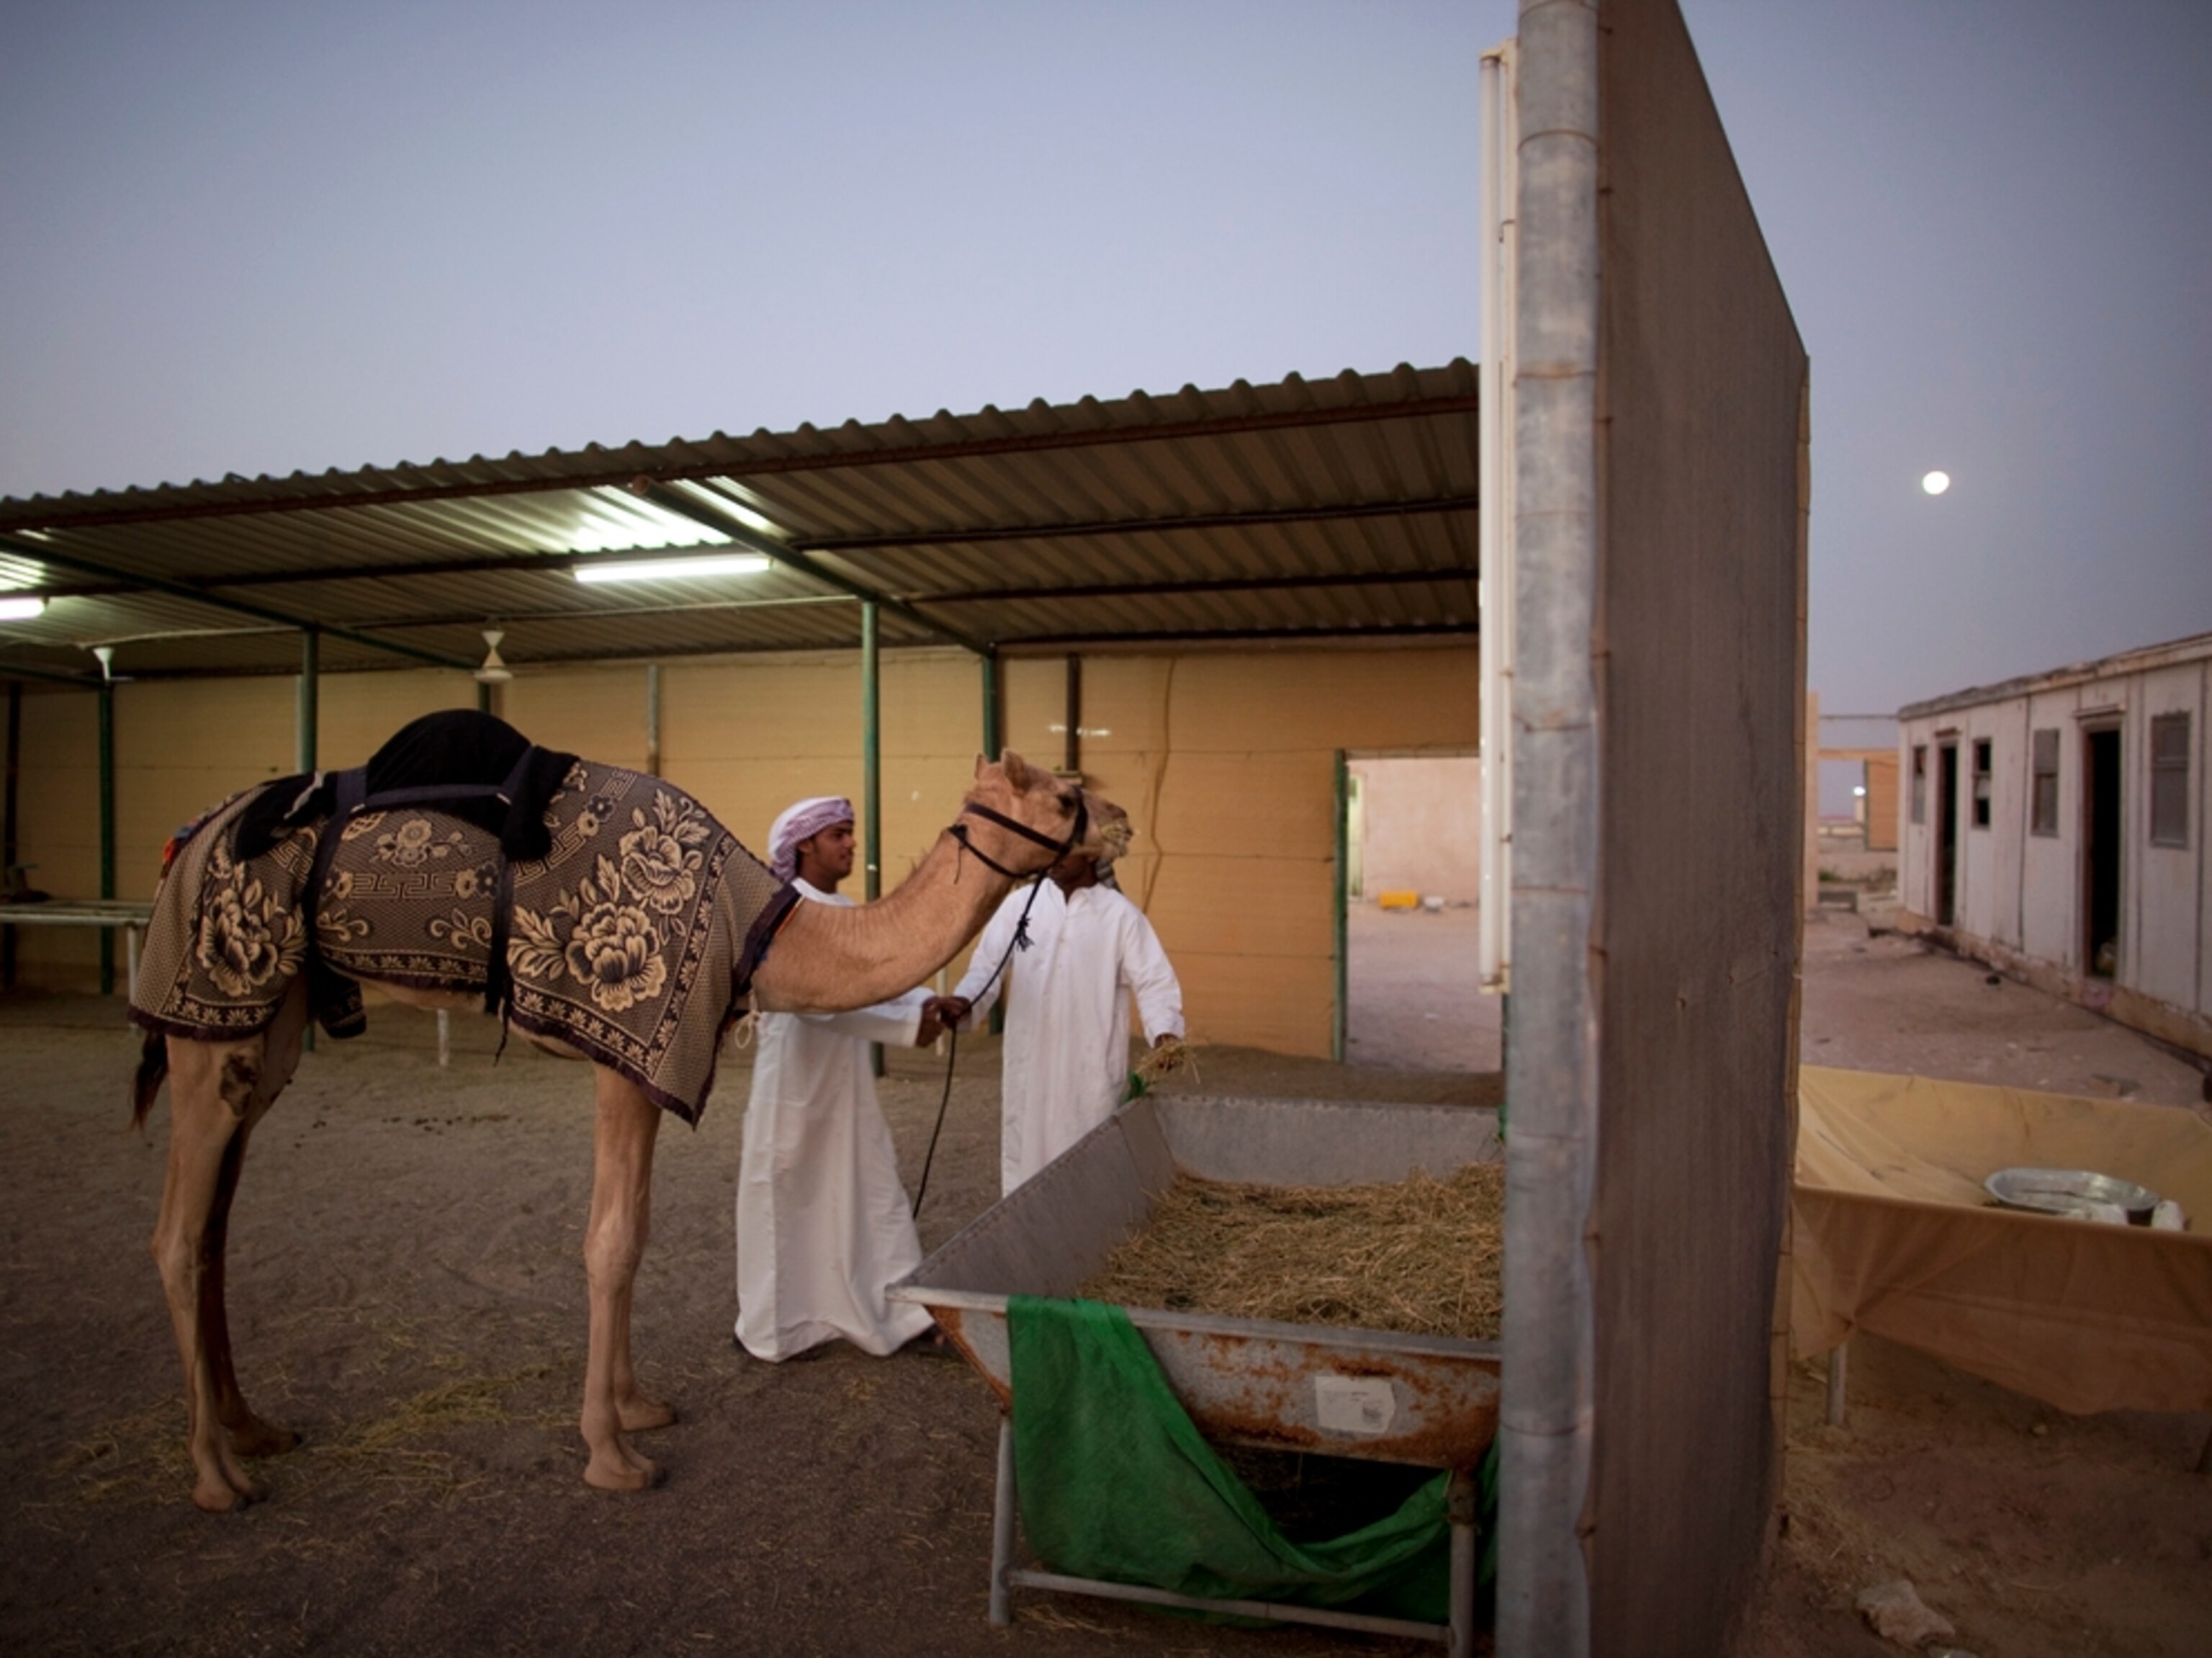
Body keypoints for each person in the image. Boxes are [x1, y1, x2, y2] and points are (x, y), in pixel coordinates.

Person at [734, 795, 946, 1361]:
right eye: (840, 834)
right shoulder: (787, 915)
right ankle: (776, 1329)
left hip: (847, 1083)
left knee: (872, 1186)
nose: (852, 843)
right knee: (787, 1199)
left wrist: (927, 1004)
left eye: (851, 832)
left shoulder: (844, 909)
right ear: (805, 844)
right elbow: (816, 1002)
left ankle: (903, 1313)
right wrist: (908, 1027)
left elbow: (878, 981)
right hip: (795, 1083)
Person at [932, 819, 1184, 1195]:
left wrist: (1165, 1031)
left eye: (1064, 846)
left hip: (1089, 1073)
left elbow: (1154, 981)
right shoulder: (1020, 907)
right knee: (1026, 1169)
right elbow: (987, 968)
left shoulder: (1121, 916)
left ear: (1092, 852)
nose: (1053, 855)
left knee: (1089, 1174)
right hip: (1029, 1067)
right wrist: (966, 1003)